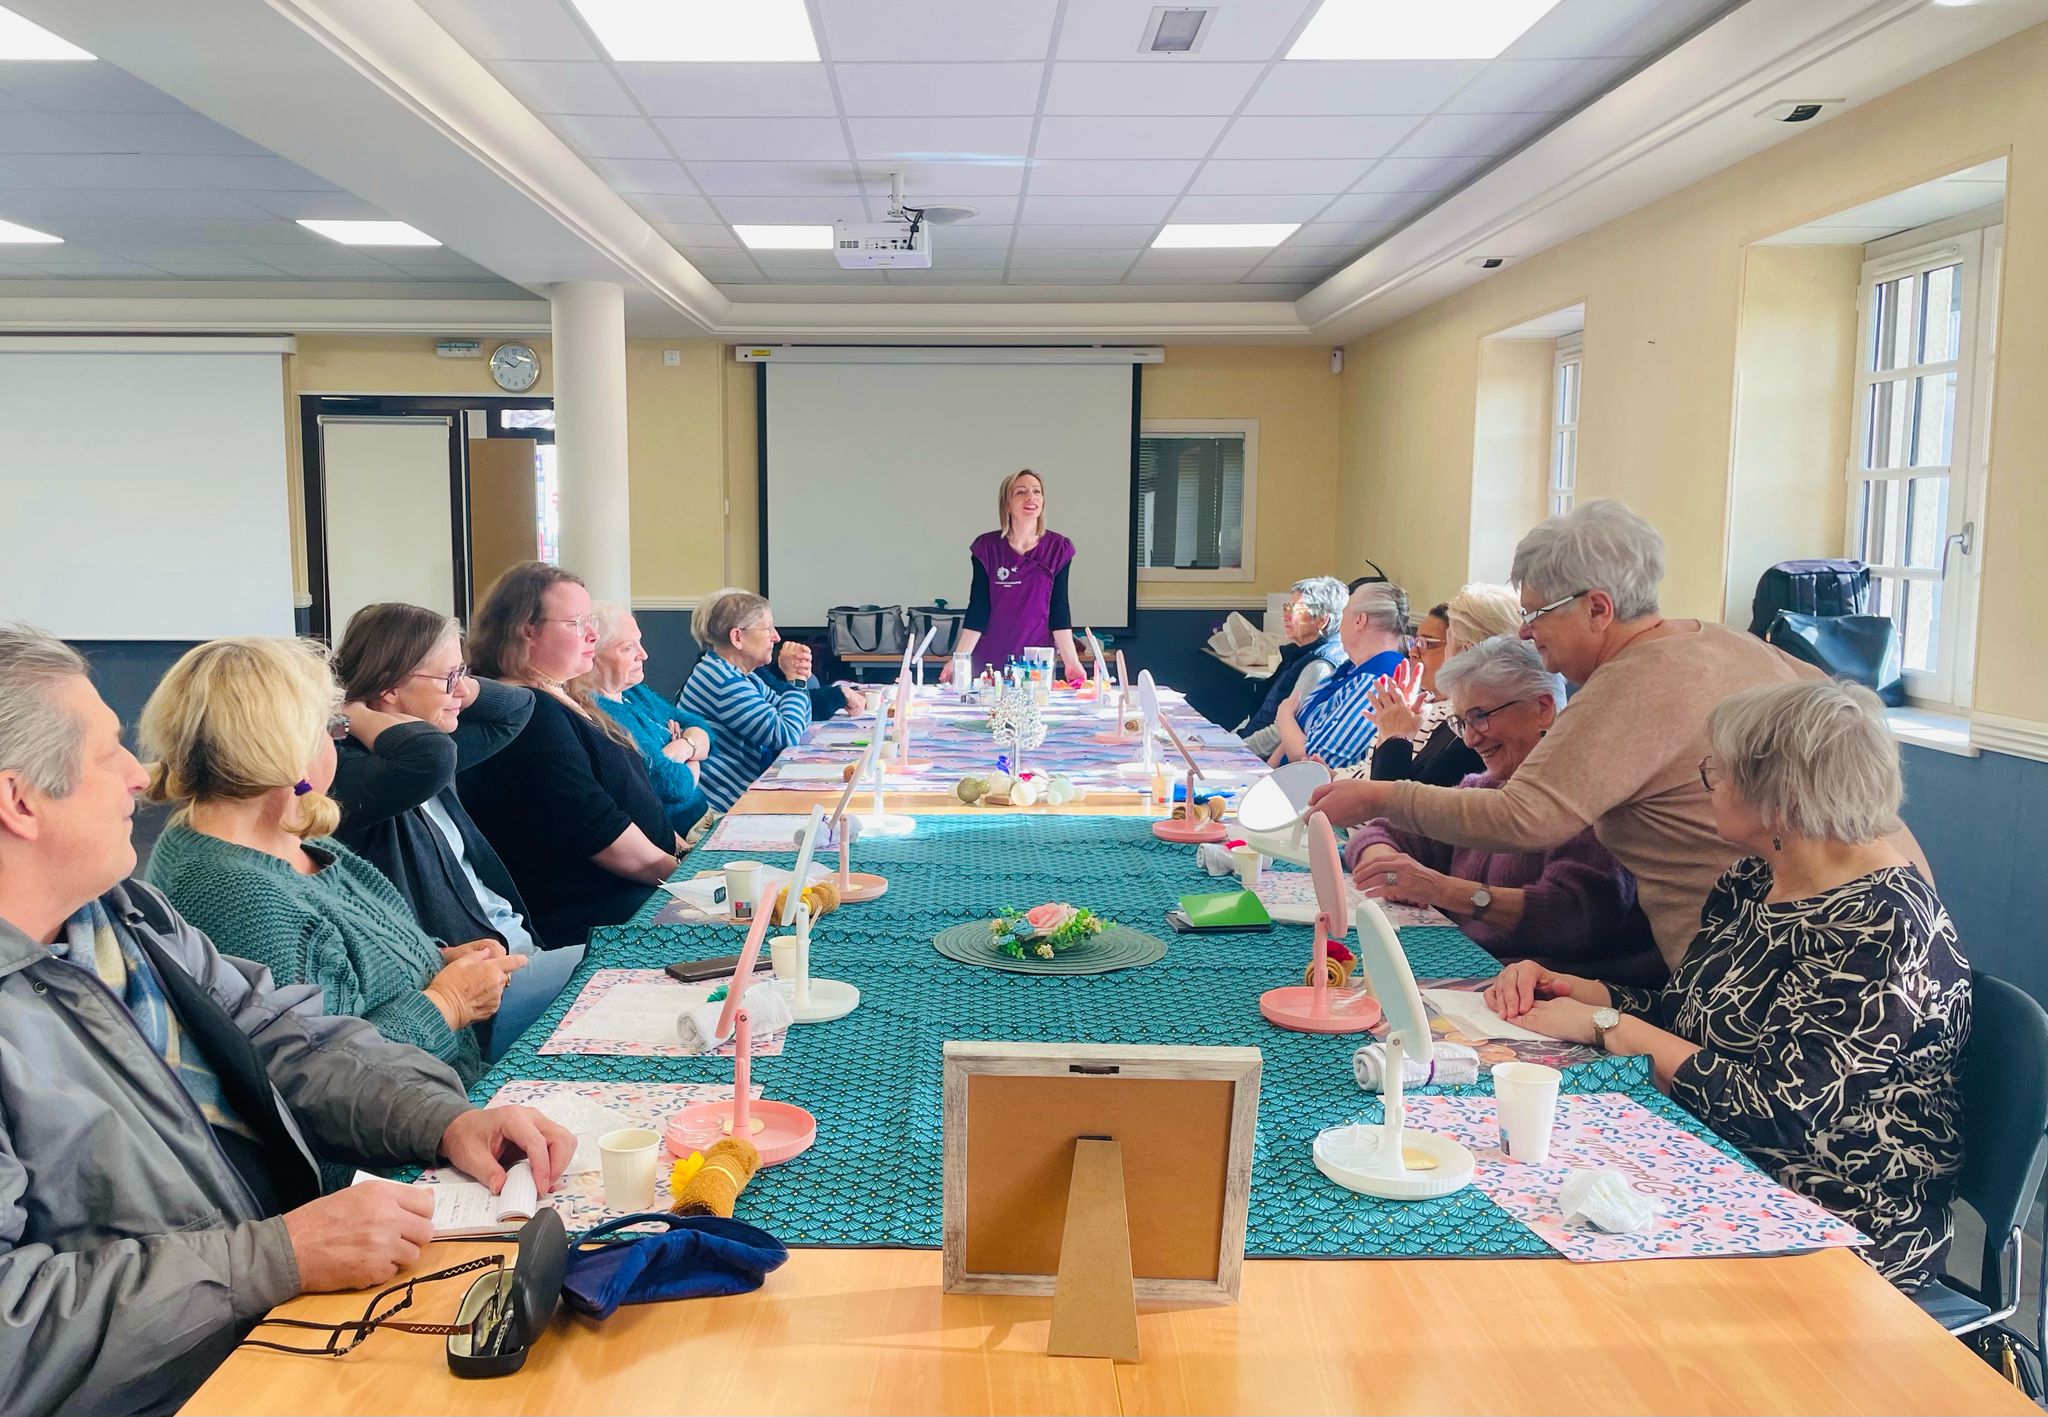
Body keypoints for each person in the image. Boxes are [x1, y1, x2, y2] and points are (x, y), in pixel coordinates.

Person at [0, 624, 575, 1416]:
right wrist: (277, 1256)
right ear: (19, 800)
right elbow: (12, 1330)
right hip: (193, 1377)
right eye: (108, 755)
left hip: (270, 1322)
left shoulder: (120, 916)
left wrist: (446, 1119)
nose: (138, 776)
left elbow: (286, 1036)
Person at [1484, 680, 1969, 1290]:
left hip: (1837, 1215)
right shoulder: (1754, 879)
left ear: (1778, 796)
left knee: (1544, 1254)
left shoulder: (1884, 927)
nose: (1705, 783)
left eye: (1719, 771)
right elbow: (1696, 1018)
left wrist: (1614, 1028)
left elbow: (1779, 1111)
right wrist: (1585, 993)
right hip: (1714, 1155)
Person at [1309, 500, 1928, 970]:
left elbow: (1524, 818)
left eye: (1535, 614)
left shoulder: (1635, 681)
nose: (1525, 633)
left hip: (1780, 964)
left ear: (1598, 609)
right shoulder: (1726, 642)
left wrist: (1381, 797)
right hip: (1877, 920)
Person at [141, 637, 523, 1087]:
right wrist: (448, 1005)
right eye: (330, 729)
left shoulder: (288, 837)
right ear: (289, 750)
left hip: (438, 1096)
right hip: (392, 1142)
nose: (334, 745)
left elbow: (354, 972)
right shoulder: (237, 895)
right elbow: (324, 1077)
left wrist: (438, 960)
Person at [330, 602, 586, 1061]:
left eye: (462, 675)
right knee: (621, 969)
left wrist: (460, 684)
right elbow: (430, 759)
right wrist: (351, 712)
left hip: (517, 951)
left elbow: (518, 707)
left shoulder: (428, 744)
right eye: (448, 678)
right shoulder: (357, 773)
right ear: (390, 688)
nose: (460, 692)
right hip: (479, 997)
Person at [1346, 637, 1664, 987]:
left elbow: (1569, 917)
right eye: (1462, 722)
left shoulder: (1589, 799)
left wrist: (1438, 889)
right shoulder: (1483, 787)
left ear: (1543, 707)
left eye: (1480, 717)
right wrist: (1388, 866)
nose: (1469, 740)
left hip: (1548, 992)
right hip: (1473, 970)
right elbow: (1378, 831)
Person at [458, 563, 683, 947]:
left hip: (633, 889)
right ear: (527, 631)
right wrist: (689, 880)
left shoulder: (560, 695)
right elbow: (596, 829)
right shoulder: (528, 713)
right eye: (577, 623)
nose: (592, 634)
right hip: (596, 913)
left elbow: (628, 797)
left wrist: (683, 851)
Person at [679, 588, 823, 813]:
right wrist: (795, 680)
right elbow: (787, 735)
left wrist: (800, 681)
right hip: (717, 810)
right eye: (768, 629)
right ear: (737, 637)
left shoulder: (741, 675)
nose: (776, 637)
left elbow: (800, 721)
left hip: (740, 796)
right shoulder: (720, 679)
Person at [579, 601, 713, 840]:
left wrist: (683, 746)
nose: (644, 654)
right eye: (628, 648)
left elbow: (702, 729)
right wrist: (693, 761)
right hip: (685, 835)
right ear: (594, 655)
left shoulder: (634, 692)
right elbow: (674, 784)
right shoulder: (600, 713)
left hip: (705, 815)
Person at [1368, 583, 1526, 787]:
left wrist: (1396, 737)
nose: (1413, 652)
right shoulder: (1465, 716)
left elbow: (1391, 810)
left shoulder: (1485, 730)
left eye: (1448, 641)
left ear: (1469, 652)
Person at [944, 469, 1085, 681]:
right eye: (1021, 492)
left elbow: (1059, 610)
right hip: (991, 657)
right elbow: (978, 609)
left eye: (1037, 491)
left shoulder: (1058, 548)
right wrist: (960, 659)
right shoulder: (987, 548)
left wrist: (1071, 662)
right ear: (1007, 504)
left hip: (1036, 660)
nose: (1031, 497)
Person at [1269, 581, 1412, 772]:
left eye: (1344, 613)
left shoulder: (1378, 682)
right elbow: (1296, 732)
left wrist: (1285, 715)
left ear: (1359, 620)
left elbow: (1314, 763)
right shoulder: (1349, 669)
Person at [1239, 575, 1349, 758]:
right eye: (1285, 607)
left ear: (1322, 620)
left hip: (1263, 760)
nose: (1285, 615)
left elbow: (1281, 731)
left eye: (1295, 609)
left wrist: (1237, 749)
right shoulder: (1299, 653)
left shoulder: (1319, 666)